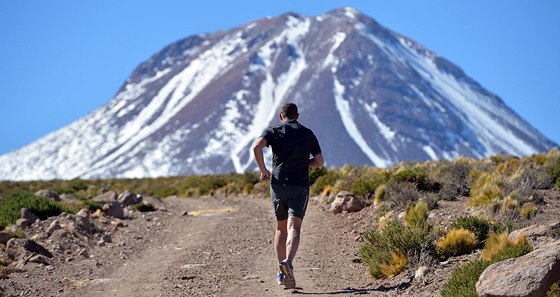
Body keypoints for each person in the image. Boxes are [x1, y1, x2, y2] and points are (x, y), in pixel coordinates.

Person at [252, 102, 324, 289]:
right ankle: (289, 262)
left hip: (278, 185)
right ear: (297, 116)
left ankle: (280, 273)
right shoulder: (307, 133)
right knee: (295, 227)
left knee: (280, 229)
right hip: (299, 185)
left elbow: (256, 147)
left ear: (280, 116)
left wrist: (264, 170)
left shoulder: (273, 131)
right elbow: (319, 162)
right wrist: (302, 163)